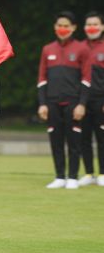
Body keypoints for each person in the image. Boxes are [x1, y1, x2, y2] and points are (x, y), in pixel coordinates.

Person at [38, 11, 90, 190]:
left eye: (66, 26)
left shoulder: (82, 49)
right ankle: (59, 176)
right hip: (52, 102)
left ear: (74, 28)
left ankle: (73, 177)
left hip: (73, 103)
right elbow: (42, 79)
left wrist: (82, 104)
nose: (62, 29)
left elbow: (86, 79)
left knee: (74, 141)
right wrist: (43, 103)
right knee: (55, 140)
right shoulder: (47, 49)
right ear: (55, 27)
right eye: (59, 25)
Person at [80, 11, 104, 186]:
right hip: (82, 101)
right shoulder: (79, 47)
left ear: (102, 27)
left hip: (100, 100)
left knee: (102, 137)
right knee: (84, 138)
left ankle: (103, 173)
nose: (92, 27)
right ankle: (89, 173)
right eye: (89, 24)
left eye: (95, 24)